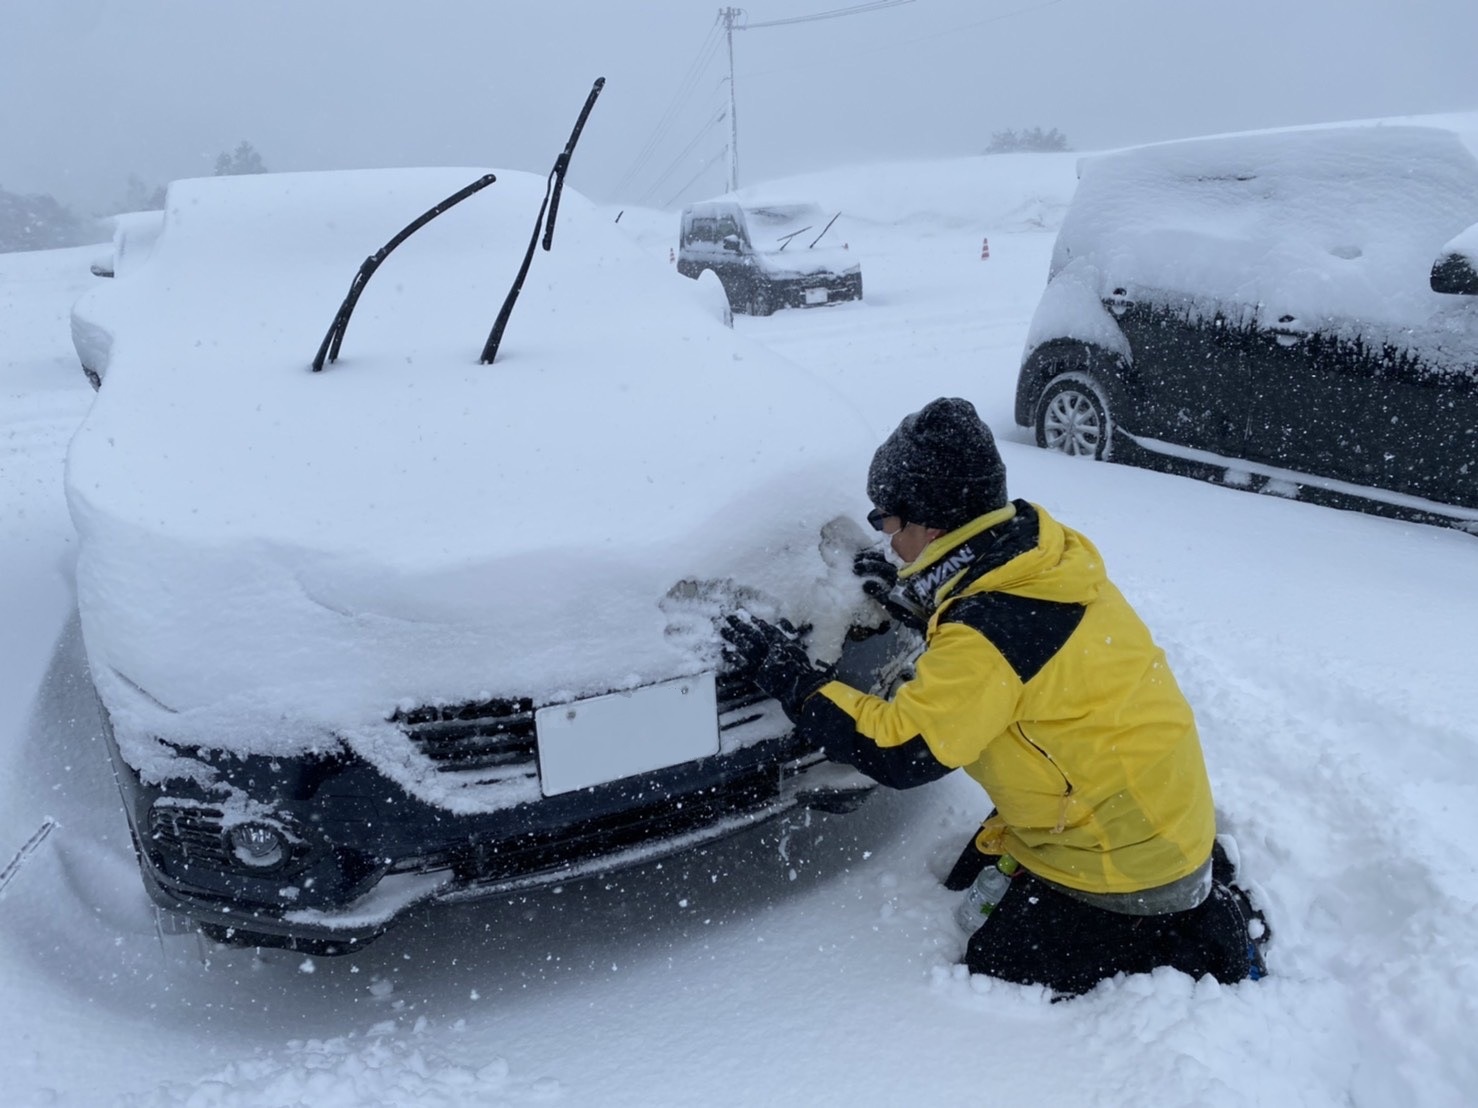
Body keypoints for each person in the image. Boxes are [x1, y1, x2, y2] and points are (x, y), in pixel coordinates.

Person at [719, 396, 1267, 997]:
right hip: (1148, 807)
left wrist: (792, 677)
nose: (882, 535)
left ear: (931, 525)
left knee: (999, 960)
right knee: (972, 875)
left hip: (1130, 866)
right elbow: (994, 635)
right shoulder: (1036, 554)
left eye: (887, 521)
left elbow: (898, 748)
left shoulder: (988, 632)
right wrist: (908, 591)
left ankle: (1179, 938)